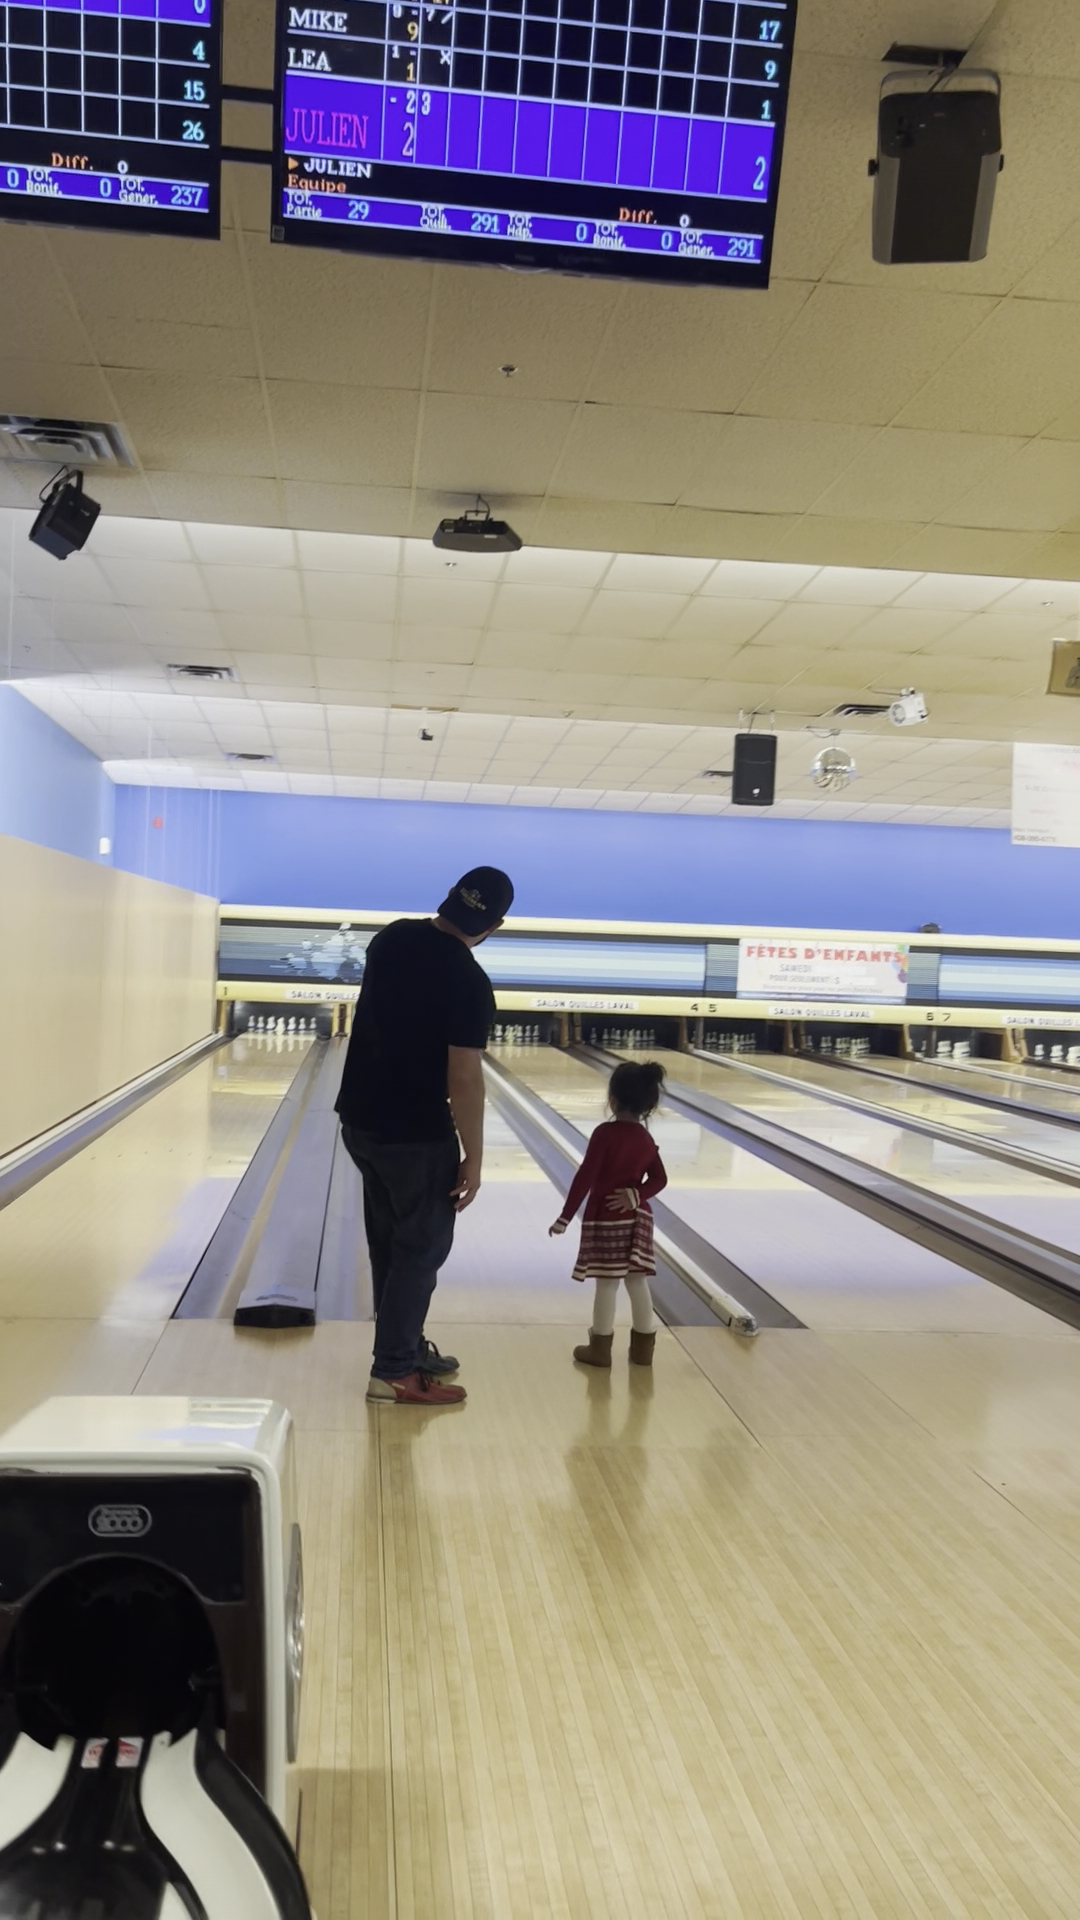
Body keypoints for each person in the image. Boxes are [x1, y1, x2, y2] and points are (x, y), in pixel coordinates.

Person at [336, 865, 514, 1407]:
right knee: (421, 1250)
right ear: (495, 926)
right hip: (415, 1133)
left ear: (450, 896)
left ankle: (406, 1348)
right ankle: (394, 1371)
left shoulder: (390, 939)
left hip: (360, 1120)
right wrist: (474, 1158)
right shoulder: (470, 983)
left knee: (390, 1244)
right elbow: (465, 1079)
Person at [549, 1060, 668, 1369]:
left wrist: (565, 1216)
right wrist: (636, 1195)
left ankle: (600, 1348)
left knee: (607, 1283)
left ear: (612, 1099)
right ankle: (643, 1351)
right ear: (648, 1105)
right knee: (637, 1281)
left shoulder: (604, 1134)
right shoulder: (645, 1138)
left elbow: (585, 1177)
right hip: (639, 1218)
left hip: (607, 1219)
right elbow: (660, 1179)